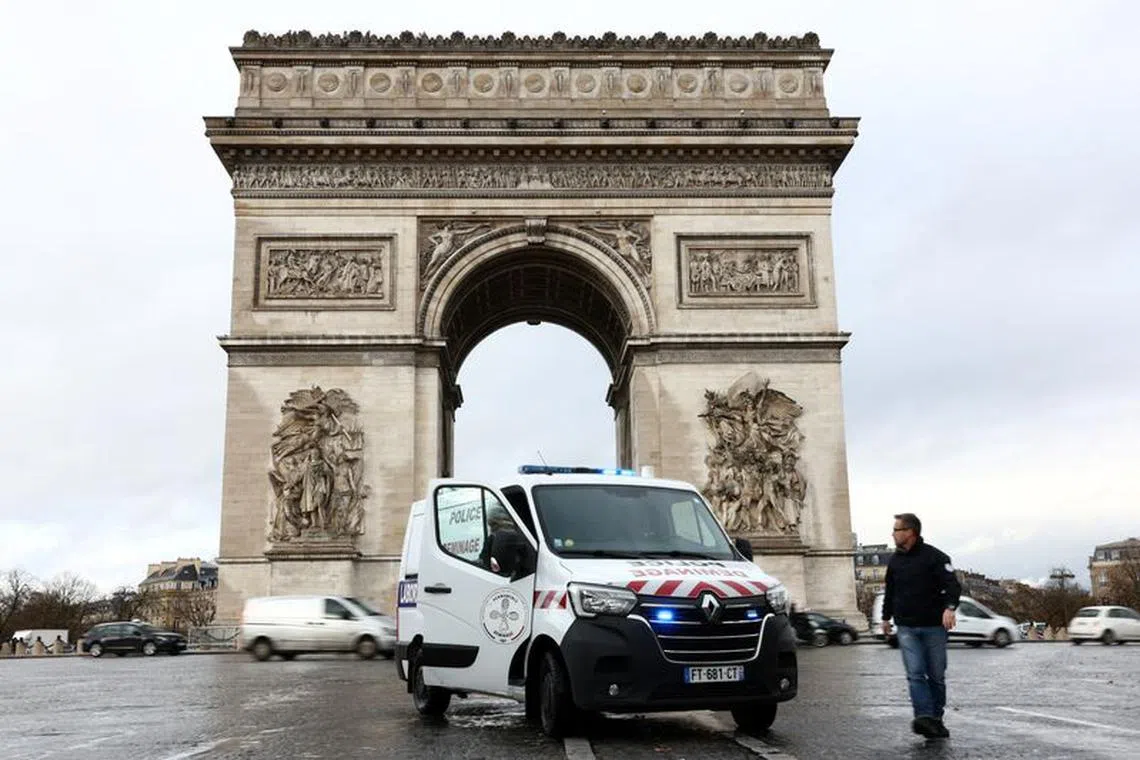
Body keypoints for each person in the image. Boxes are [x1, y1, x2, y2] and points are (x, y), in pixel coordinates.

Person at [881, 512, 961, 740]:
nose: (893, 534)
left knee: (935, 675)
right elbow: (890, 591)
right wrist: (886, 618)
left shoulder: (936, 557)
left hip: (934, 626)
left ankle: (935, 718)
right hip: (906, 627)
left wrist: (950, 607)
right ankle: (924, 717)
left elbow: (953, 585)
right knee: (915, 674)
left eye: (897, 530)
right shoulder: (894, 561)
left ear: (910, 533)